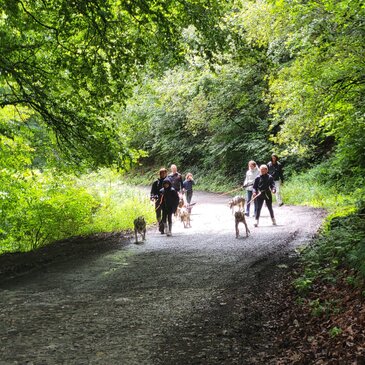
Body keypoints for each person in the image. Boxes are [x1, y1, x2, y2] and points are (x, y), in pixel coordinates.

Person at [150, 167, 168, 233]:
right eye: (162, 173)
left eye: (164, 173)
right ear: (159, 174)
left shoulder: (168, 182)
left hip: (166, 200)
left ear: (166, 173)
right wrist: (152, 197)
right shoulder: (156, 183)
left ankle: (163, 225)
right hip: (158, 200)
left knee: (165, 213)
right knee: (158, 214)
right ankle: (160, 223)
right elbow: (152, 192)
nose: (163, 174)